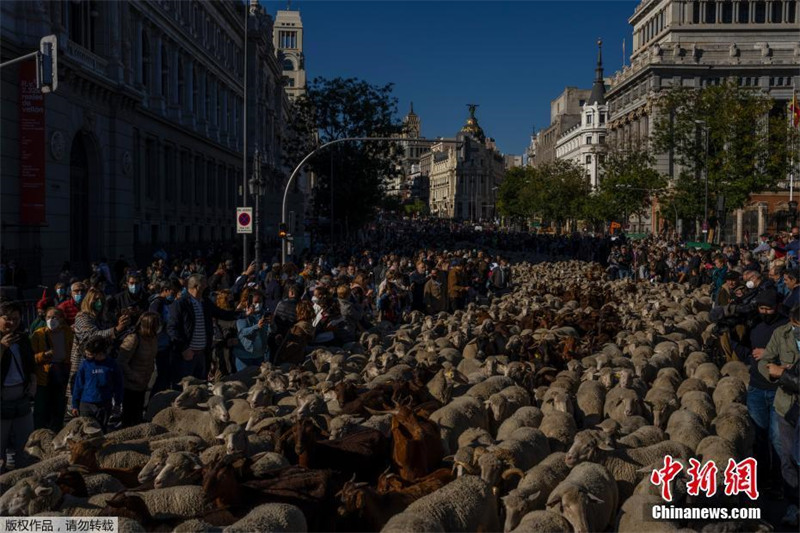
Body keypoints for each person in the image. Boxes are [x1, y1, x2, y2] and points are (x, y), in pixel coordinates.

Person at [730, 290, 788, 497]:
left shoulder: (786, 327)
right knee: (759, 436)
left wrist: (769, 354)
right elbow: (746, 349)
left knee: (777, 438)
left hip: (779, 390)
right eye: (761, 308)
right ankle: (762, 479)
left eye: (768, 308)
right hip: (756, 387)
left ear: (778, 307)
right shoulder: (754, 324)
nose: (764, 312)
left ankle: (780, 482)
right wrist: (731, 337)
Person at [759, 304, 800, 527]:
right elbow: (765, 361)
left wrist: (784, 373)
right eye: (795, 326)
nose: (796, 331)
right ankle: (794, 504)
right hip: (786, 407)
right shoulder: (781, 334)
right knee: (787, 458)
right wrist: (771, 371)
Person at [167, 274, 238, 381]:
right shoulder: (180, 304)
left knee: (200, 388)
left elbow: (222, 314)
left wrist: (242, 313)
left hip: (203, 354)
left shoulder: (205, 303)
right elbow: (172, 329)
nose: (207, 287)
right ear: (197, 287)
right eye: (204, 285)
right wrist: (184, 348)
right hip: (187, 355)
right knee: (185, 389)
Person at [0, 301, 36, 470]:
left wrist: (33, 380)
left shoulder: (22, 337)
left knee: (26, 440)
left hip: (21, 393)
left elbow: (30, 361)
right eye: (7, 319)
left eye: (16, 319)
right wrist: (2, 348)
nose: (12, 323)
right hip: (2, 396)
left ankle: (23, 475)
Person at [30, 307, 72, 431]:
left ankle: (57, 434)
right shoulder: (38, 334)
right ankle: (39, 435)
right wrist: (43, 356)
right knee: (41, 410)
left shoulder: (68, 333)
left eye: (55, 317)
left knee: (59, 408)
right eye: (48, 317)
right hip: (44, 377)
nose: (51, 320)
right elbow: (29, 357)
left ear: (62, 319)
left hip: (62, 375)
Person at [71, 336, 123, 432]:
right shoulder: (85, 364)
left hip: (104, 404)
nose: (87, 356)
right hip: (86, 404)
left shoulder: (112, 365)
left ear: (99, 353)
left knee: (101, 431)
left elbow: (118, 386)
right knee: (85, 431)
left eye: (90, 354)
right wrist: (74, 404)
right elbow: (78, 385)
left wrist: (118, 403)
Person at [117, 312, 159, 427]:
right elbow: (121, 362)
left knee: (138, 417)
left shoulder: (153, 338)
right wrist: (134, 376)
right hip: (130, 384)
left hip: (143, 382)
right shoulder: (133, 338)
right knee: (129, 417)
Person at [148, 280, 179, 394]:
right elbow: (154, 323)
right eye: (172, 292)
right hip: (159, 345)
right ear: (165, 291)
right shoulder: (157, 303)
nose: (174, 295)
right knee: (160, 376)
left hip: (165, 344)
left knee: (165, 375)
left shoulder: (166, 303)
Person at [233, 291, 270, 370]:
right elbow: (242, 332)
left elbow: (270, 330)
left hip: (259, 355)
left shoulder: (263, 313)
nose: (258, 304)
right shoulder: (243, 315)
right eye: (256, 302)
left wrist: (272, 323)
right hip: (245, 355)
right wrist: (257, 326)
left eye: (260, 302)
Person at [274, 301, 315, 366]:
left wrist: (282, 356)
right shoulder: (308, 326)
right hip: (299, 359)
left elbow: (293, 346)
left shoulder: (298, 328)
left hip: (289, 361)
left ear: (300, 312)